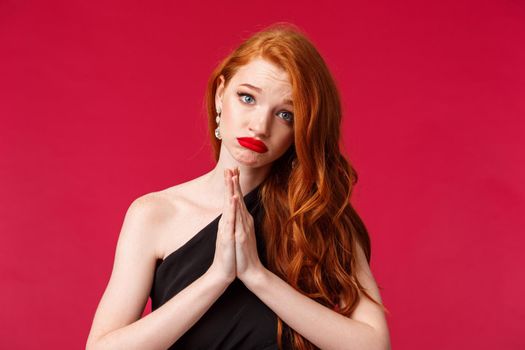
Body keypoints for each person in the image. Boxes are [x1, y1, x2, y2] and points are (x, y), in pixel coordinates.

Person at [86, 22, 391, 350]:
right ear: (220, 95)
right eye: (247, 98)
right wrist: (217, 277)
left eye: (285, 115)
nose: (260, 126)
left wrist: (257, 276)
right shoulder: (154, 214)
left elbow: (373, 345)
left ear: (303, 128)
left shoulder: (319, 217)